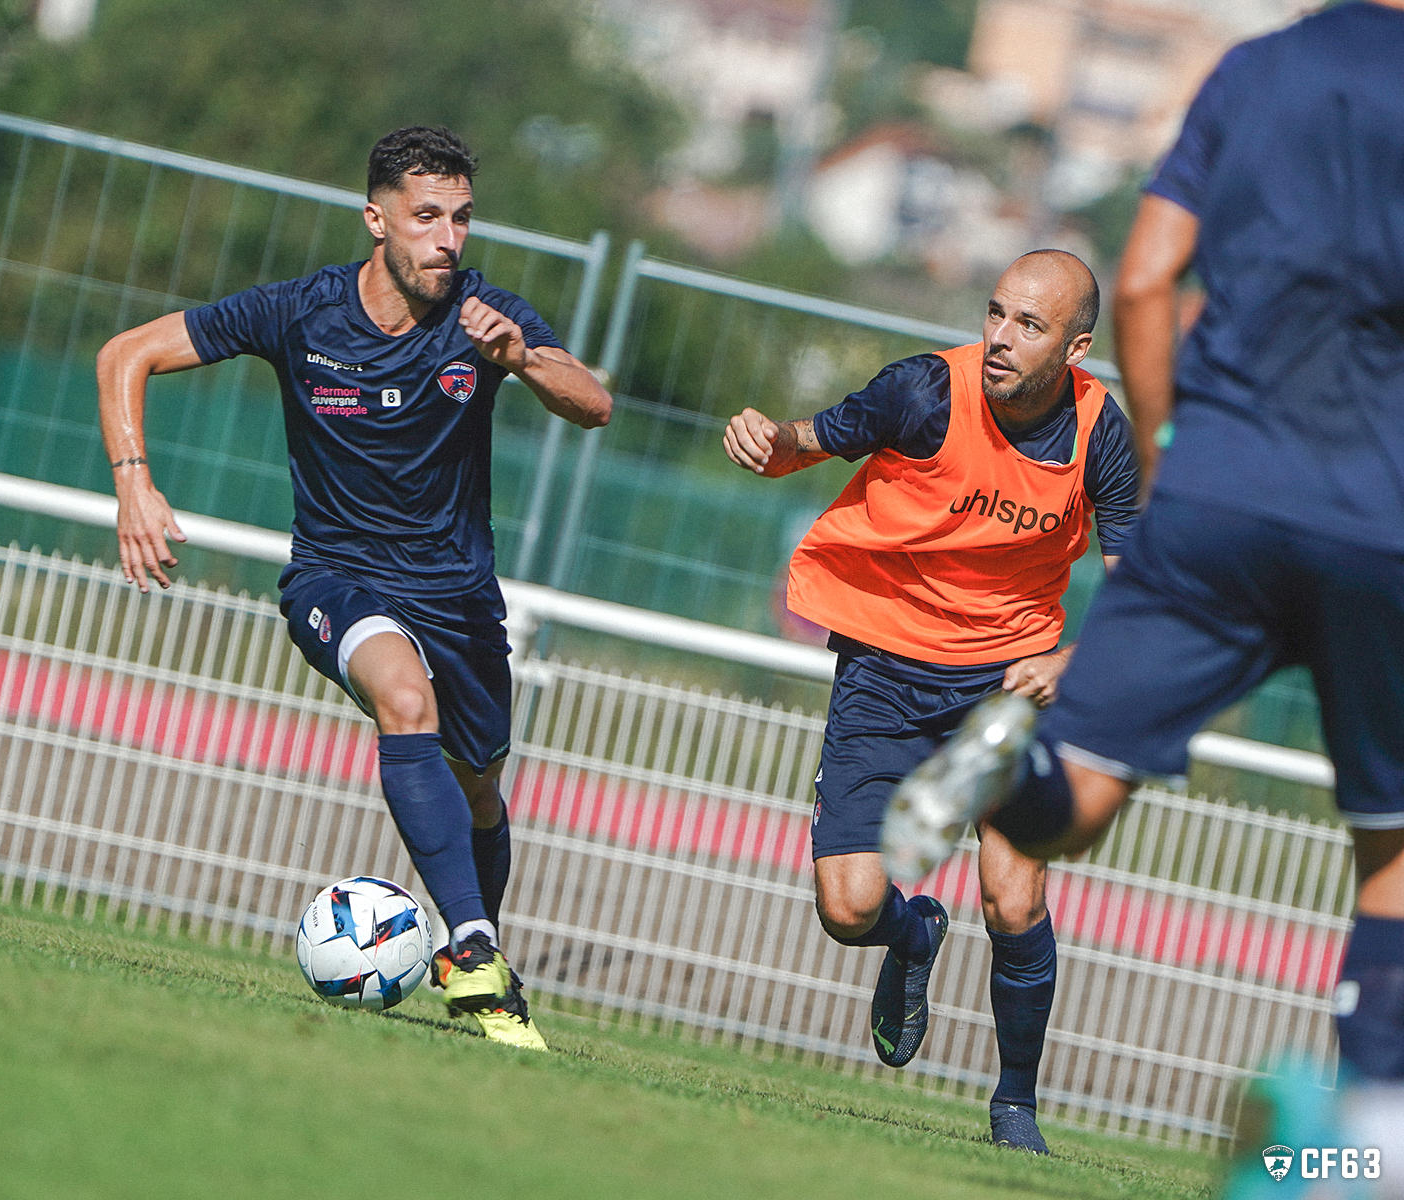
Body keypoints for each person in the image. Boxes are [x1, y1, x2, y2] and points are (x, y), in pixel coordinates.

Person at [882, 0, 1404, 1091]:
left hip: (1214, 493)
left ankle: (1007, 770)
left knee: (1073, 804)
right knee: (1391, 843)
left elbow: (1141, 281)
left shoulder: (1254, 69)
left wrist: (1172, 468)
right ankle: (1370, 1122)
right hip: (1379, 517)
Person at [96, 126, 612, 1050]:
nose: (447, 240)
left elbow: (594, 403)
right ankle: (475, 944)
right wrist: (134, 481)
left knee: (481, 790)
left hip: (458, 596)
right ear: (376, 219)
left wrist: (524, 358)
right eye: (426, 217)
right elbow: (124, 354)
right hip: (336, 579)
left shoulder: (487, 315)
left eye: (461, 219)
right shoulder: (301, 312)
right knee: (404, 701)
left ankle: (475, 960)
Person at [723, 250, 1138, 1152]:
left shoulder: (1102, 433)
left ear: (1076, 347)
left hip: (1007, 680)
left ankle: (1015, 1108)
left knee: (1014, 899)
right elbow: (807, 441)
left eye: (1028, 324)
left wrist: (1071, 661)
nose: (1000, 336)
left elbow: (1142, 589)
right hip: (884, 668)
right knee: (848, 909)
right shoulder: (922, 393)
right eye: (995, 312)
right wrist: (765, 439)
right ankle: (914, 936)